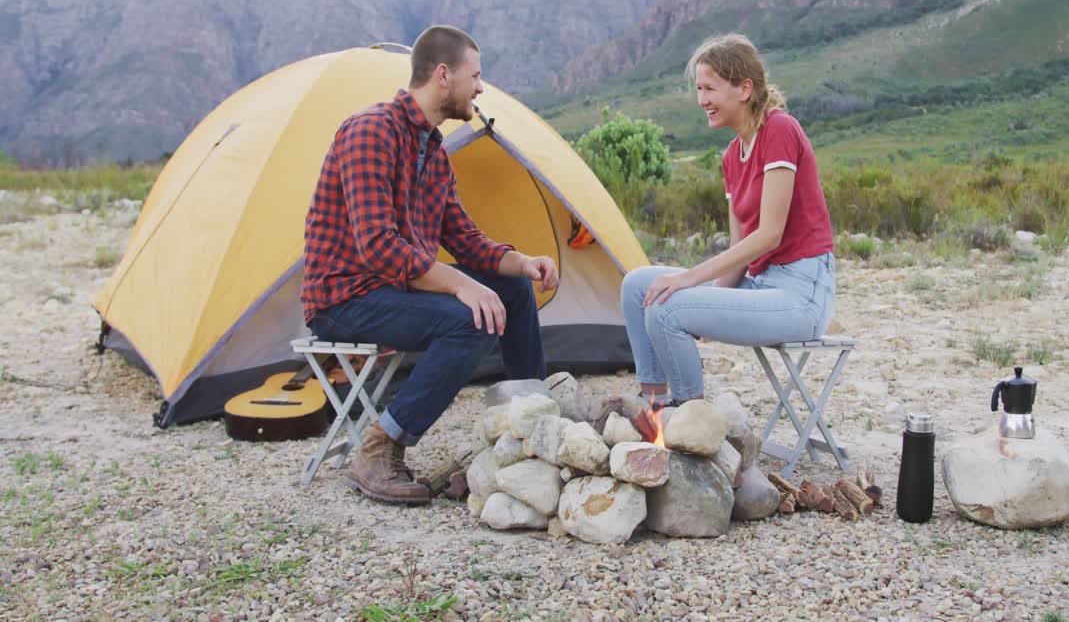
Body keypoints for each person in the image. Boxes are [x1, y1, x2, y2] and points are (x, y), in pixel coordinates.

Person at [301, 25, 559, 505]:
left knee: (511, 291)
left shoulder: (433, 153)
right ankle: (379, 448)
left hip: (392, 291)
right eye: (475, 75)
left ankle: (533, 424)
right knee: (470, 320)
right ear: (443, 75)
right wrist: (461, 286)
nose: (480, 87)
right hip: (343, 296)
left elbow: (464, 237)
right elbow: (378, 246)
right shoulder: (370, 131)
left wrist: (522, 263)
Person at [621, 33, 836, 408]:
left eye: (710, 89)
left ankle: (690, 418)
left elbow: (769, 236)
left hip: (800, 296)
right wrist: (707, 300)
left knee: (668, 305)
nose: (701, 100)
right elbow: (740, 251)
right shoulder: (731, 156)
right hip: (759, 284)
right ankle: (652, 406)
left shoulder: (780, 130)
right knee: (638, 285)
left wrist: (689, 282)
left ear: (745, 89)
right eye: (699, 89)